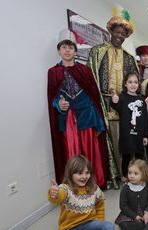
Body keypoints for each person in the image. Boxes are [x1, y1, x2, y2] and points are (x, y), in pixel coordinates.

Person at [47, 29, 107, 188]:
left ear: (75, 50)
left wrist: (98, 121)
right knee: (72, 153)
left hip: (87, 116)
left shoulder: (85, 70)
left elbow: (94, 96)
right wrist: (58, 104)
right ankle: (74, 188)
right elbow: (52, 97)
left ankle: (93, 185)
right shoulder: (53, 72)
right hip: (68, 120)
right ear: (59, 50)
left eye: (70, 47)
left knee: (89, 152)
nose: (67, 50)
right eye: (63, 47)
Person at [87, 16, 139, 188]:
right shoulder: (97, 52)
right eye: (117, 32)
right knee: (111, 142)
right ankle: (112, 176)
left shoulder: (129, 58)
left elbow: (135, 83)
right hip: (104, 104)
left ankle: (129, 174)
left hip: (124, 107)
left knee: (125, 141)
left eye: (123, 34)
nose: (120, 36)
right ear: (111, 32)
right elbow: (89, 78)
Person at [47, 155, 121, 230]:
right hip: (70, 229)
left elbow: (100, 204)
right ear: (70, 174)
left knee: (108, 226)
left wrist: (99, 224)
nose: (84, 176)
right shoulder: (65, 189)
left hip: (90, 224)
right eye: (79, 173)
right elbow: (57, 197)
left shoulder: (94, 188)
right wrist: (53, 193)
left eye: (87, 173)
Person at [110, 72, 148, 179]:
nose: (133, 84)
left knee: (139, 157)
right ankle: (126, 177)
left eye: (135, 82)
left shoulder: (141, 100)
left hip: (139, 135)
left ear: (139, 84)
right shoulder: (122, 98)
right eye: (130, 82)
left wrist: (145, 135)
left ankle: (140, 176)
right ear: (125, 84)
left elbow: (145, 119)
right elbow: (115, 105)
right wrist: (113, 100)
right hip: (126, 135)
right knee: (126, 156)